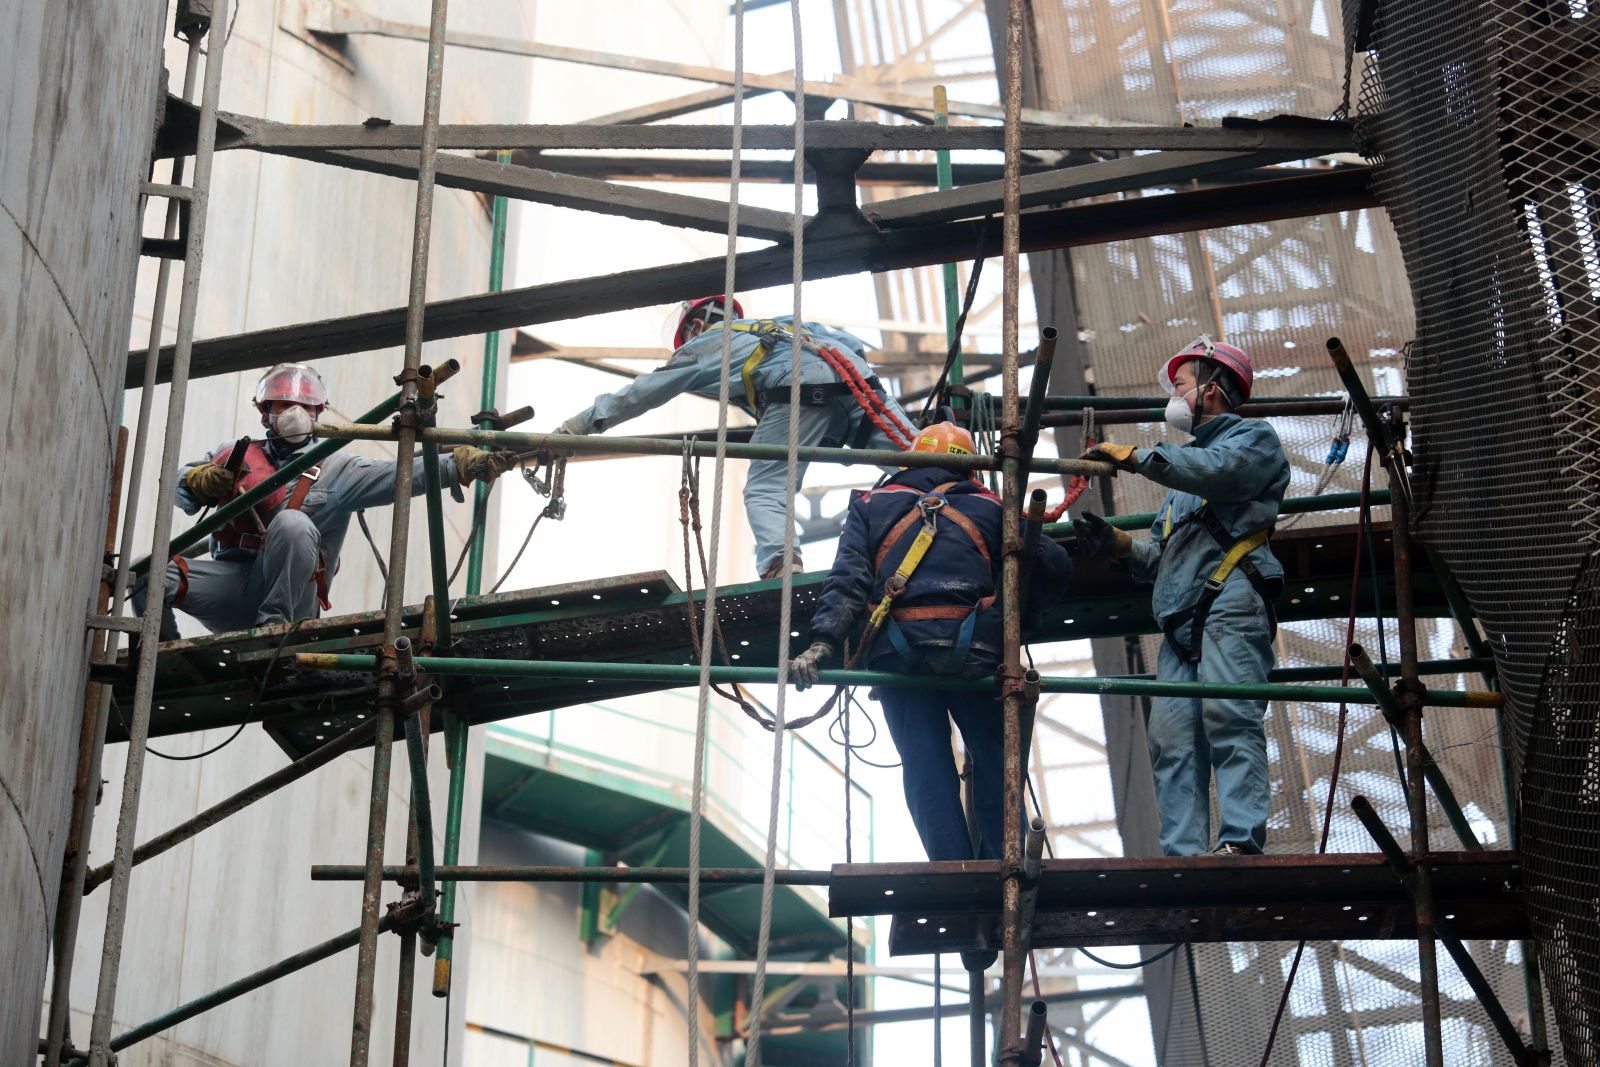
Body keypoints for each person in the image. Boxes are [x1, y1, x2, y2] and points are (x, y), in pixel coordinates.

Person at [788, 423, 1074, 862]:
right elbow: (1053, 563)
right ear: (969, 468)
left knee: (925, 768)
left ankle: (951, 866)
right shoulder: (991, 505)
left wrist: (823, 642)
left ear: (911, 461)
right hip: (975, 650)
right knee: (995, 763)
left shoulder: (871, 504)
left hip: (896, 653)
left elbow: (847, 579)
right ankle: (1006, 863)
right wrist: (1012, 624)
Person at [1075, 337, 1289, 857]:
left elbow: (1222, 472)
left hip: (1231, 604)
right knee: (1172, 740)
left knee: (1230, 716)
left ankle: (1240, 842)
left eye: (1180, 385)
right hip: (1181, 623)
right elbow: (1167, 563)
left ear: (1211, 388)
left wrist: (1139, 458)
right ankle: (1185, 857)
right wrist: (1122, 548)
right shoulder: (1180, 484)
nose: (1174, 397)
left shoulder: (1253, 440)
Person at [133, 362, 518, 639]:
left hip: (292, 600)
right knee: (148, 576)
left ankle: (272, 634)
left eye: (305, 406)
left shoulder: (337, 467)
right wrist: (199, 480)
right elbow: (180, 487)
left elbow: (400, 475)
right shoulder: (233, 453)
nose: (295, 413)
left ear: (319, 412)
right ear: (265, 412)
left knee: (292, 524)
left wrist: (463, 463)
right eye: (283, 404)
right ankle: (159, 652)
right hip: (232, 586)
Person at [553, 295, 917, 579]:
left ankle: (781, 564)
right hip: (855, 380)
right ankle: (949, 496)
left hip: (797, 390)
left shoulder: (706, 344)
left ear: (697, 325)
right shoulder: (780, 325)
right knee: (919, 459)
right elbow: (848, 342)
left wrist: (576, 428)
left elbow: (642, 392)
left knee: (766, 488)